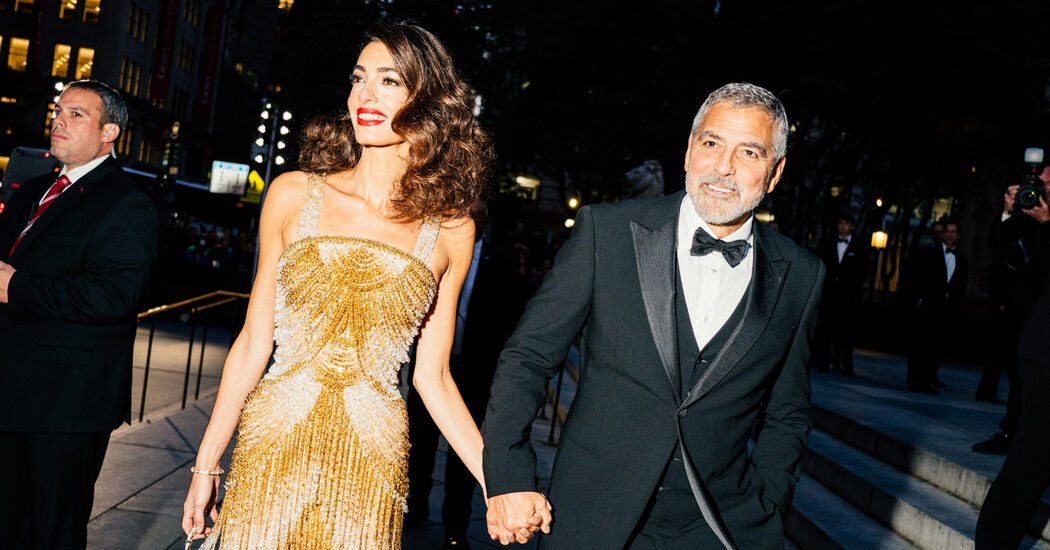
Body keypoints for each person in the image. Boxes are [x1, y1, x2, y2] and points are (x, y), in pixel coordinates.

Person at [181, 23, 531, 548]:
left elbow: (433, 377)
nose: (365, 95)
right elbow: (254, 342)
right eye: (358, 77)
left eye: (389, 81)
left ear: (428, 101)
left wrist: (497, 483)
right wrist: (207, 463)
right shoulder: (293, 194)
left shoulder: (451, 230)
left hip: (370, 457)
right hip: (274, 439)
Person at [483, 82, 824, 549]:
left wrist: (767, 506)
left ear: (775, 171)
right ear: (688, 150)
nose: (723, 167)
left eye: (749, 152)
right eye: (711, 143)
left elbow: (788, 413)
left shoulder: (801, 275)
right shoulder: (607, 232)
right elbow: (528, 357)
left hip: (720, 528)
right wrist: (508, 476)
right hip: (590, 516)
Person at [0, 80, 159, 549]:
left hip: (66, 403)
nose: (59, 122)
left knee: (51, 532)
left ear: (109, 132)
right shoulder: (32, 190)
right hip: (11, 392)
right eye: (58, 111)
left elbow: (113, 295)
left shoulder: (126, 201)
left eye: (76, 114)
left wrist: (18, 288)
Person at [404, 205, 532, 549]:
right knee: (421, 443)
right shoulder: (431, 249)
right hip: (430, 364)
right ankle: (416, 506)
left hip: (475, 372)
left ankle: (455, 527)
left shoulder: (502, 262)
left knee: (462, 457)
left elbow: (510, 321)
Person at [975, 215, 1050, 545]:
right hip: (1044, 353)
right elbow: (1018, 262)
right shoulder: (1037, 229)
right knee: (1029, 464)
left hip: (1038, 347)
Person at [973, 168, 1050, 454]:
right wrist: (1008, 211)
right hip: (1024, 306)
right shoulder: (1030, 211)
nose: (1043, 187)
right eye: (1041, 182)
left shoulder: (1044, 217)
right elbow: (999, 245)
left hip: (1044, 306)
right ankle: (1011, 432)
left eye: (1048, 182)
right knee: (1017, 369)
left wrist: (1047, 222)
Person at [905, 219, 969, 393]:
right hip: (927, 307)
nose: (950, 235)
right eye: (947, 231)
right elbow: (917, 279)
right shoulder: (928, 253)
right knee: (920, 344)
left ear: (958, 236)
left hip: (946, 311)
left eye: (954, 232)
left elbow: (960, 288)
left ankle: (928, 378)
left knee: (936, 346)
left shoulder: (962, 260)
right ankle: (915, 380)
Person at [813, 212, 868, 375]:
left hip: (848, 297)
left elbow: (862, 271)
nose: (842, 226)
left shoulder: (859, 247)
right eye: (840, 223)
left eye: (846, 224)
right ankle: (822, 361)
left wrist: (855, 292)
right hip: (828, 294)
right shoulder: (828, 243)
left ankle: (844, 363)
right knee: (825, 328)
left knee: (845, 331)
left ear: (852, 226)